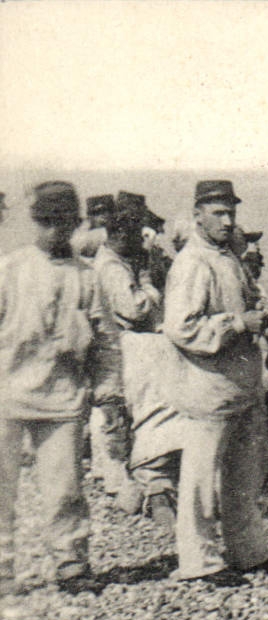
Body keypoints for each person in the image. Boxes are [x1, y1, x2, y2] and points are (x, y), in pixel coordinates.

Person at [1, 181, 118, 594]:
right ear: (35, 223)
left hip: (64, 399)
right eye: (47, 223)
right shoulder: (10, 268)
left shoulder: (87, 278)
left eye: (64, 223)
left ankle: (71, 564)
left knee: (65, 488)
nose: (55, 232)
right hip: (7, 395)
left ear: (75, 225)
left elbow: (105, 341)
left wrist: (108, 392)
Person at [161, 179, 268, 586]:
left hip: (239, 387)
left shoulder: (227, 258)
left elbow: (238, 306)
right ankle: (199, 562)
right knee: (200, 479)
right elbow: (181, 327)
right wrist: (238, 322)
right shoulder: (192, 262)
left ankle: (248, 553)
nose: (228, 221)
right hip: (207, 389)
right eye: (218, 213)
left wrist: (259, 311)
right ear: (198, 216)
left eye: (231, 212)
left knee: (243, 479)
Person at [88, 193, 161, 502]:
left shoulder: (113, 261)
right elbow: (134, 309)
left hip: (114, 343)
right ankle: (115, 479)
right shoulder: (113, 268)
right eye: (133, 235)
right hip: (117, 343)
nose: (139, 243)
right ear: (119, 235)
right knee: (114, 413)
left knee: (112, 411)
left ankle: (109, 474)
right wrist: (148, 285)